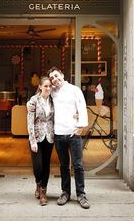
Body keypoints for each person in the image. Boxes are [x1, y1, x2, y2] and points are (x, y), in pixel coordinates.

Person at [27, 66, 90, 209]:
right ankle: (65, 193)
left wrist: (81, 126)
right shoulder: (52, 91)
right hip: (59, 134)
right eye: (52, 78)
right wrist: (29, 104)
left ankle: (81, 194)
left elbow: (82, 107)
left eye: (56, 76)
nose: (55, 79)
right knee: (63, 166)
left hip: (74, 133)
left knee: (78, 165)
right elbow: (39, 96)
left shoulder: (75, 90)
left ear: (62, 74)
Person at [27, 76, 54, 206]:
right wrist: (32, 140)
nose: (48, 88)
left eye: (50, 86)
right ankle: (38, 182)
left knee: (46, 164)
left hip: (49, 137)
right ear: (40, 87)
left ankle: (43, 191)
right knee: (38, 165)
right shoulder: (33, 100)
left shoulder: (54, 100)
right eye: (45, 86)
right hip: (36, 137)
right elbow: (30, 121)